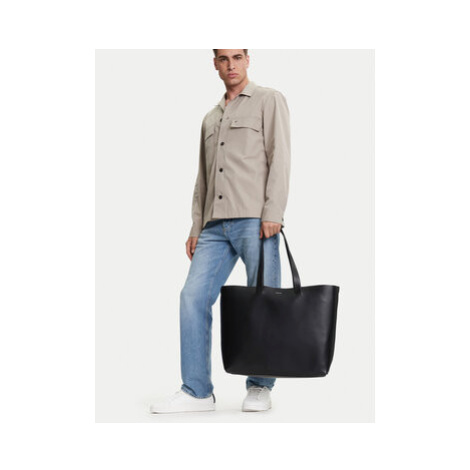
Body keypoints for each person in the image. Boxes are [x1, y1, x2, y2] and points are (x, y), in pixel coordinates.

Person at [149, 49, 291, 413]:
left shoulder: (268, 100)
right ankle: (197, 391)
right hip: (214, 226)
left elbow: (280, 157)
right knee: (192, 298)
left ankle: (260, 385)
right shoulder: (210, 118)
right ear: (215, 63)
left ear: (248, 59)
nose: (231, 65)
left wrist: (273, 211)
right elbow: (203, 177)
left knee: (263, 299)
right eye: (224, 58)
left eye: (238, 57)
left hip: (255, 220)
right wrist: (196, 226)